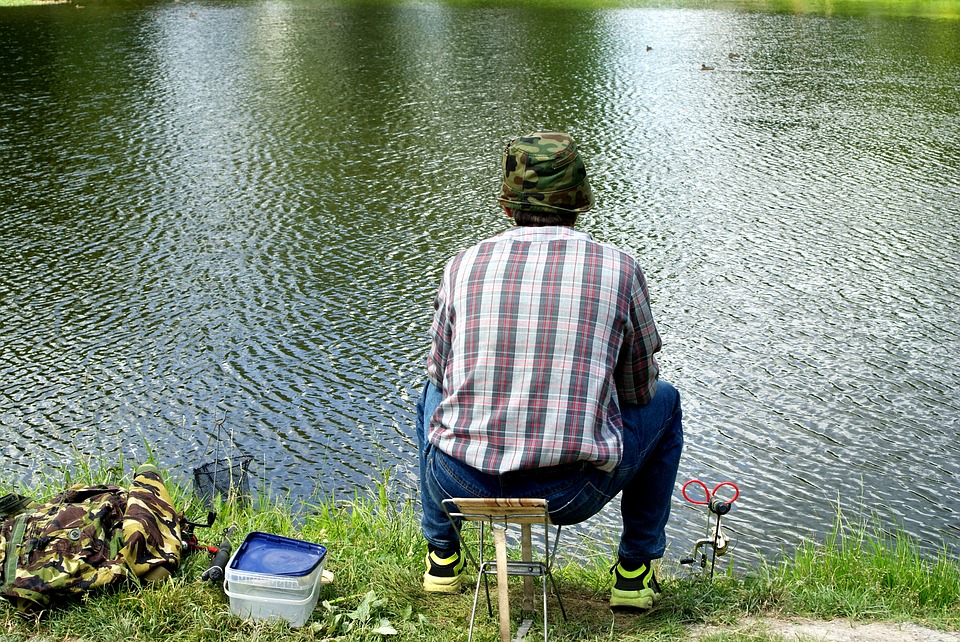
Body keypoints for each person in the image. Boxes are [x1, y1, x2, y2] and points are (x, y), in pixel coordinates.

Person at [415, 131, 683, 611]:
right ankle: (634, 571)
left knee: (429, 394)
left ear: (507, 204)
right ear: (579, 201)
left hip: (461, 485)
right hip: (568, 493)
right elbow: (639, 390)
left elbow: (440, 372)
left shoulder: (463, 265)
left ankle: (442, 555)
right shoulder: (620, 269)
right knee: (667, 402)